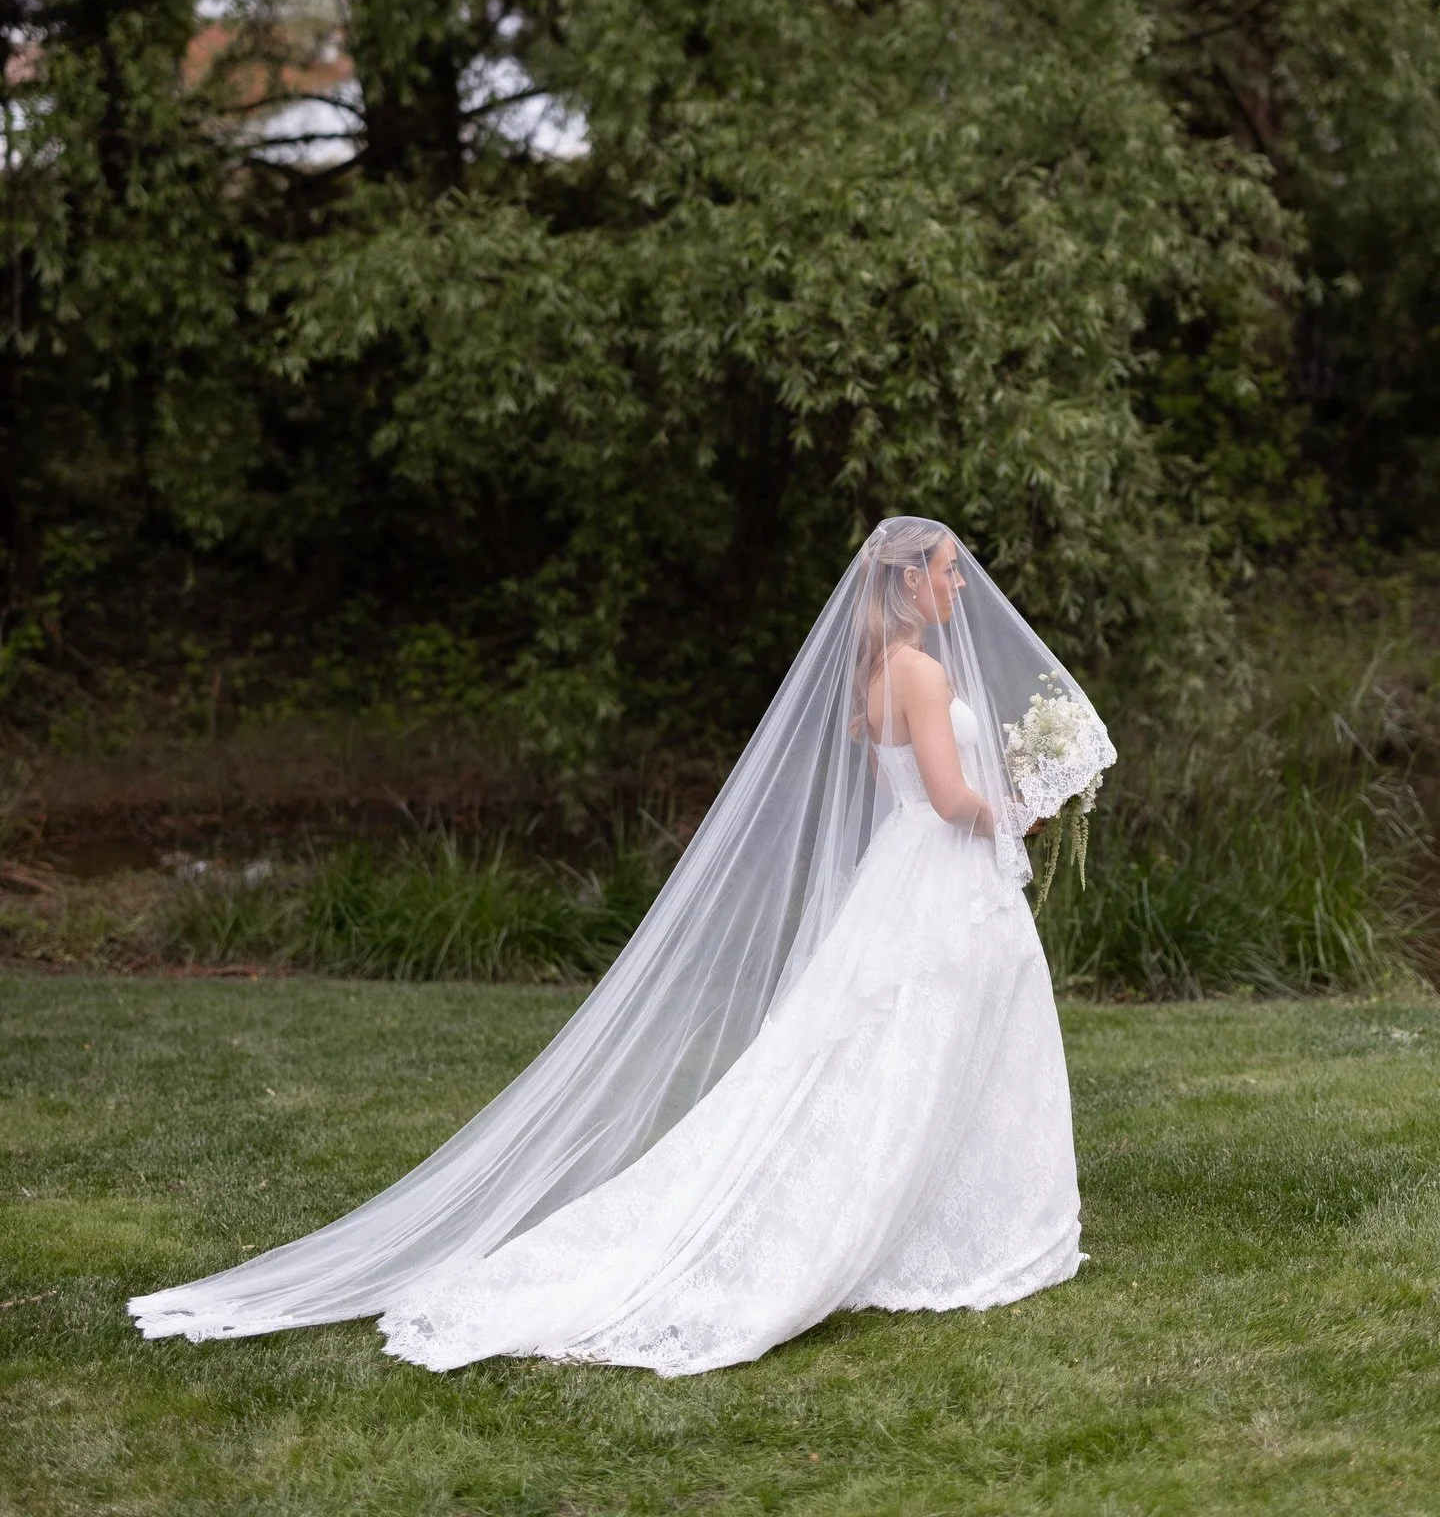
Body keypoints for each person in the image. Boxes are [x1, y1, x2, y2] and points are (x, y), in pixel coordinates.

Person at [131, 517, 1115, 1376]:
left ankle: (925, 1217)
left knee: (899, 1057)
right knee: (927, 1053)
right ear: (907, 581)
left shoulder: (875, 672)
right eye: (945, 570)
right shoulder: (921, 668)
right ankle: (920, 1232)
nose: (957, 584)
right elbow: (950, 801)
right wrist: (1030, 803)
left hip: (902, 878)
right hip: (935, 876)